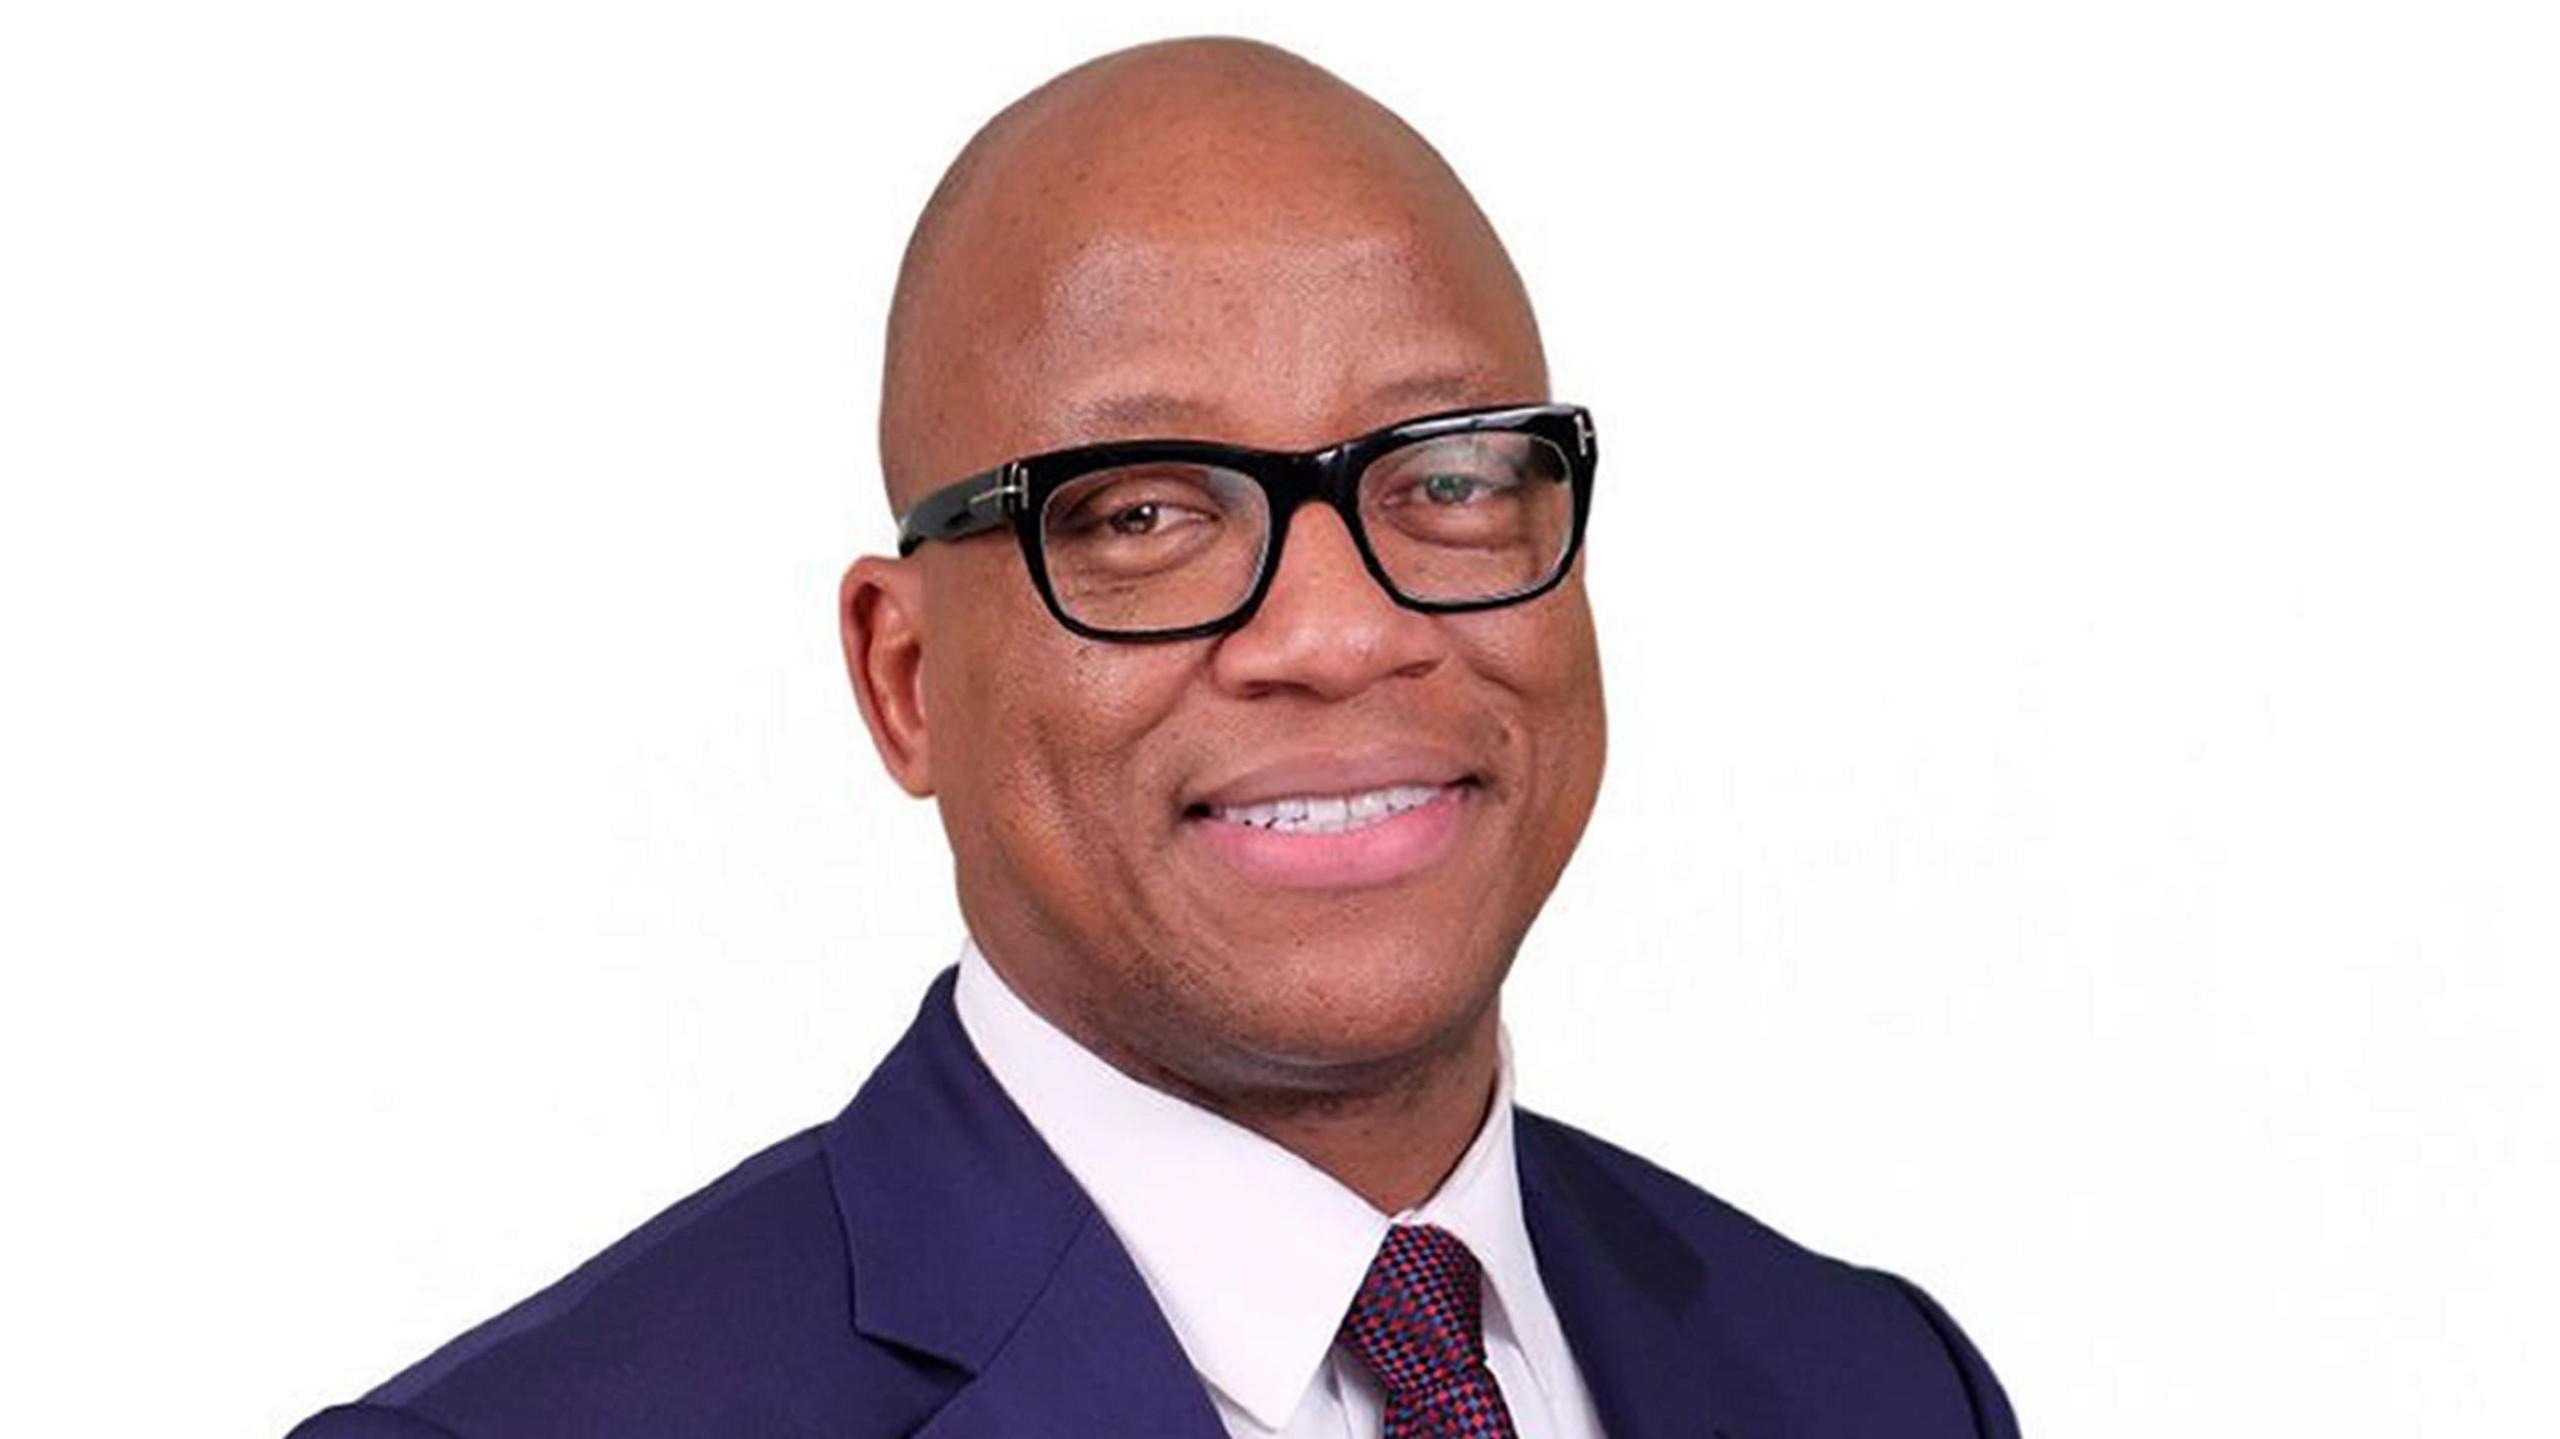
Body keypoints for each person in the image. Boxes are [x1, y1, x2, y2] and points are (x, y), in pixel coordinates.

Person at [289, 35, 2019, 1439]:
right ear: (902, 680)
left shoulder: (1875, 1384)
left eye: (1446, 478)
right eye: (1138, 516)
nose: (1341, 631)